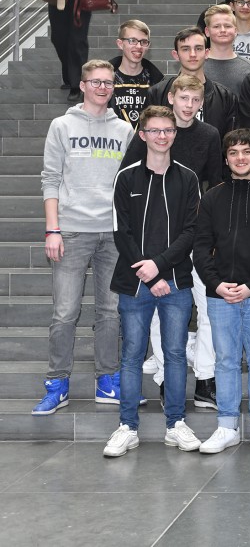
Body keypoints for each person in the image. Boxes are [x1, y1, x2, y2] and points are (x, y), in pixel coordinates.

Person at [34, 60, 134, 416]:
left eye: (108, 83)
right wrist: (52, 228)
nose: (103, 88)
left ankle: (107, 380)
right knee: (65, 313)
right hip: (72, 231)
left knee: (110, 312)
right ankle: (57, 383)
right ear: (82, 84)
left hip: (112, 234)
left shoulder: (124, 130)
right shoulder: (61, 125)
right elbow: (49, 179)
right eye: (96, 82)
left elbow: (129, 184)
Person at [103, 105, 201, 457]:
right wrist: (145, 272)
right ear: (142, 135)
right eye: (155, 131)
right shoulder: (126, 177)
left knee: (175, 355)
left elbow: (191, 232)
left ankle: (175, 424)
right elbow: (121, 232)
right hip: (135, 283)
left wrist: (158, 268)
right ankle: (127, 427)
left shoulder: (187, 178)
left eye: (168, 130)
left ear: (175, 134)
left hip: (175, 282)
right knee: (131, 356)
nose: (162, 136)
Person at [121, 75, 224, 404]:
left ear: (202, 102)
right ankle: (167, 377)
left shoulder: (209, 134)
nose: (189, 105)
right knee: (158, 309)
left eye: (196, 100)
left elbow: (217, 185)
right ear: (171, 98)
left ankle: (205, 378)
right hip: (158, 239)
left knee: (208, 307)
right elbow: (128, 178)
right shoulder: (155, 131)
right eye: (184, 99)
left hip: (198, 233)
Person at [193, 128, 250, 453]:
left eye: (246, 151)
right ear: (226, 158)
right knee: (226, 360)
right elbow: (201, 246)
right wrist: (216, 283)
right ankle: (227, 426)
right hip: (219, 294)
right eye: (233, 152)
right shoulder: (212, 197)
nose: (240, 157)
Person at [144, 27, 238, 140]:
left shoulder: (226, 97)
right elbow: (147, 137)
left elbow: (230, 144)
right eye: (185, 49)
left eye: (198, 48)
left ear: (207, 53)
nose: (193, 54)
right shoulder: (157, 93)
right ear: (175, 55)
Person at [109, 20, 164, 127]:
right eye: (132, 40)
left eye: (143, 42)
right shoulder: (104, 81)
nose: (139, 46)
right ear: (120, 44)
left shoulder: (158, 84)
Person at [202, 5, 250, 95]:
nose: (223, 30)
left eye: (227, 26)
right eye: (216, 26)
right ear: (207, 31)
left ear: (235, 31)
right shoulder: (196, 66)